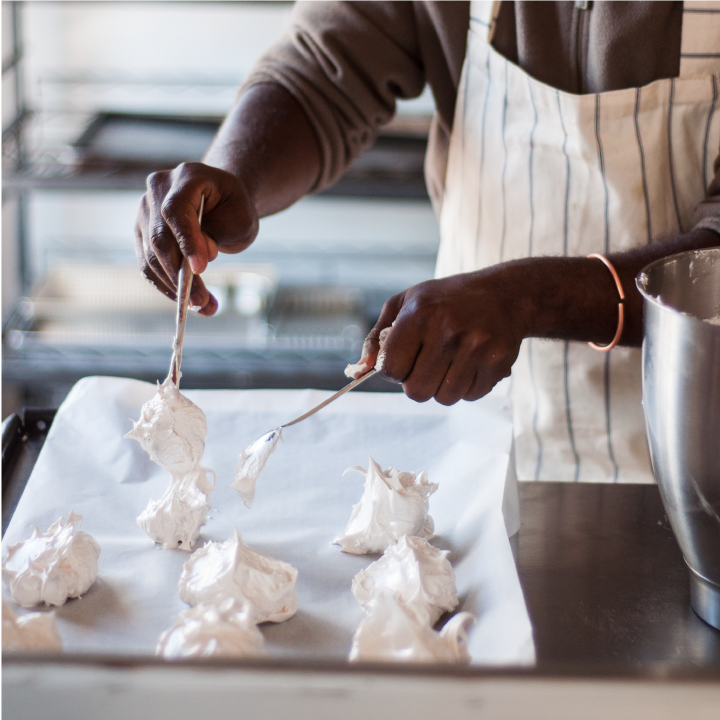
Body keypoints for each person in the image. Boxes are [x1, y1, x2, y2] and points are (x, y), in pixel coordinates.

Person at [134, 0, 720, 482]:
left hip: (693, 463)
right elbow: (324, 68)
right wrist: (233, 173)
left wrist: (527, 299)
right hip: (476, 443)